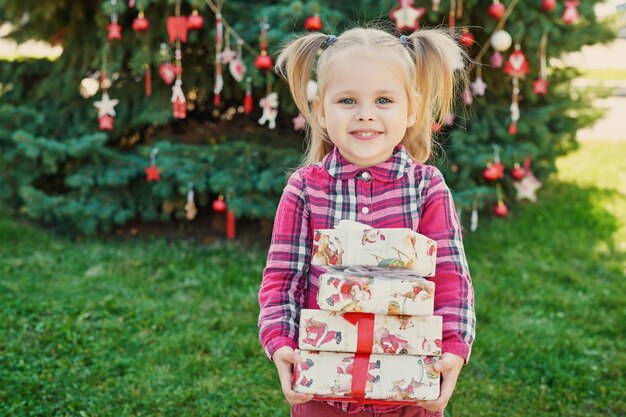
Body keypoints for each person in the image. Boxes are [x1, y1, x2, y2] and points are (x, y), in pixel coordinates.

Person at [258, 25, 476, 417]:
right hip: (322, 392)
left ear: (411, 109)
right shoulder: (305, 189)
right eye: (347, 100)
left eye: (383, 100)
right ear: (321, 111)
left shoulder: (427, 188)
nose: (365, 114)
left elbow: (451, 278)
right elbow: (282, 278)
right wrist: (280, 343)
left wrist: (454, 350)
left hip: (411, 390)